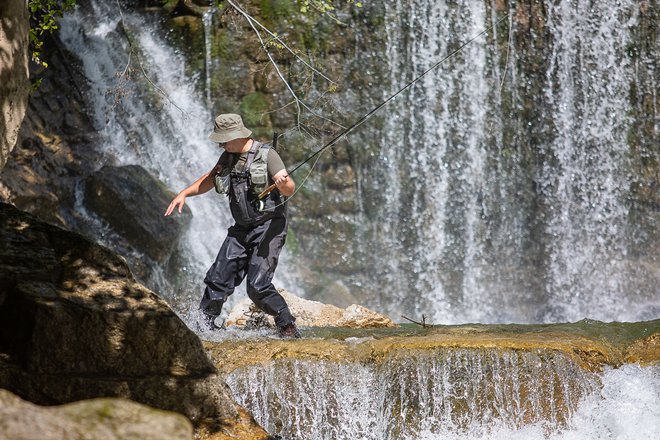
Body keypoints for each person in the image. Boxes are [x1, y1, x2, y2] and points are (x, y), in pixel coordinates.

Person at [164, 113, 300, 338]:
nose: (220, 144)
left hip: (269, 226)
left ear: (236, 136)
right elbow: (209, 179)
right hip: (241, 228)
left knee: (257, 285)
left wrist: (282, 183)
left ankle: (287, 325)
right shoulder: (228, 156)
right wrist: (184, 193)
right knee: (218, 278)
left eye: (223, 140)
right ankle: (203, 328)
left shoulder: (267, 155)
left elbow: (289, 188)